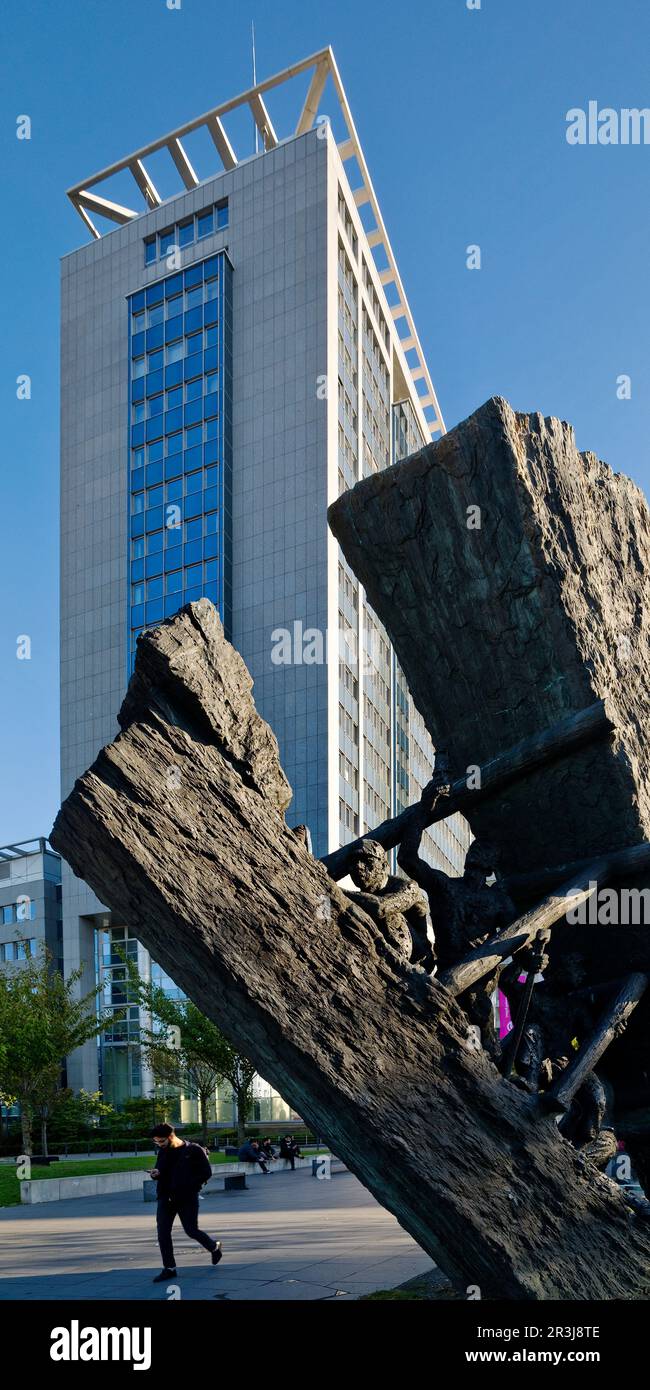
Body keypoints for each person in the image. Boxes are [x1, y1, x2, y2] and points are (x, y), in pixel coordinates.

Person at [343, 838, 433, 972]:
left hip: (417, 957)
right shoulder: (361, 898)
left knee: (390, 914)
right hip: (379, 945)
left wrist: (336, 890)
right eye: (353, 862)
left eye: (368, 861)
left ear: (384, 866)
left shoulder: (409, 886)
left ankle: (397, 967)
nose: (359, 866)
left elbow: (380, 908)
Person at [149, 1122, 222, 1283]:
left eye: (161, 1141)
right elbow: (161, 1171)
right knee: (162, 1233)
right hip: (165, 1197)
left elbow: (206, 1173)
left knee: (191, 1230)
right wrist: (155, 1174)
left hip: (186, 1198)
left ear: (171, 1136)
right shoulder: (163, 1152)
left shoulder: (194, 1150)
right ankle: (169, 1268)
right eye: (156, 1142)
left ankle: (214, 1247)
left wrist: (189, 1186)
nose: (159, 1144)